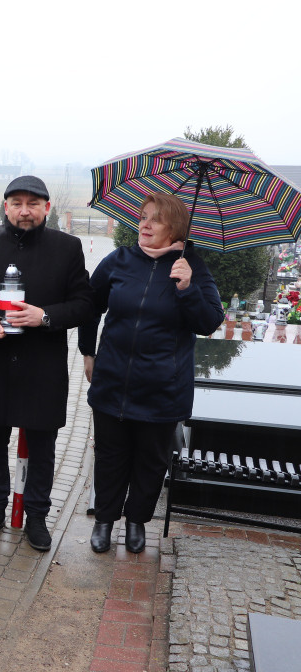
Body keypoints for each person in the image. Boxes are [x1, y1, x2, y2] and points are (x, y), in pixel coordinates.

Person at [0, 175, 93, 552]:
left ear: (46, 208)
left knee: (43, 443)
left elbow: (84, 304)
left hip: (42, 363)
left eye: (33, 204)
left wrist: (44, 316)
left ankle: (36, 515)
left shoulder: (67, 248)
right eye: (16, 203)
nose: (24, 211)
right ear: (5, 206)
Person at [79, 193, 222, 553]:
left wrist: (188, 288)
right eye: (143, 217)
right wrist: (88, 351)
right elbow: (88, 306)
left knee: (150, 460)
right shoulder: (121, 259)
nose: (144, 224)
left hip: (163, 389)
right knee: (110, 455)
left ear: (174, 229)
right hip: (113, 381)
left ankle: (136, 521)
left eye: (155, 219)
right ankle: (104, 520)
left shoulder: (193, 266)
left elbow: (209, 322)